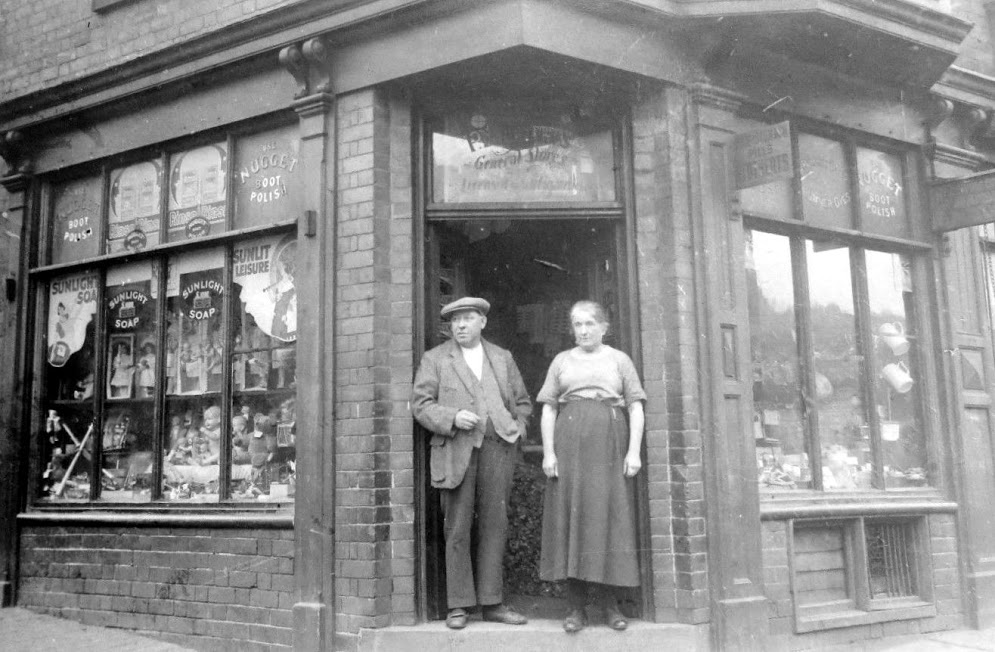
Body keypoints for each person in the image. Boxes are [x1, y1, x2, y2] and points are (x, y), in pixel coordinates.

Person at [411, 296, 532, 630]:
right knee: (457, 526)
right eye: (455, 320)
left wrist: (517, 430)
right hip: (456, 448)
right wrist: (451, 417)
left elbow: (522, 401)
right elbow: (420, 404)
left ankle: (492, 603)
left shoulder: (502, 358)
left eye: (467, 319)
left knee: (495, 524)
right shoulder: (436, 358)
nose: (460, 325)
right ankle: (459, 605)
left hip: (497, 448)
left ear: (483, 322)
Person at [537, 300, 646, 633]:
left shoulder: (619, 360)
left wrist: (633, 452)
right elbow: (549, 409)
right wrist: (549, 453)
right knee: (573, 518)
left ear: (603, 327)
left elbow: (636, 406)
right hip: (569, 441)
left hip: (610, 440)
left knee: (609, 517)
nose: (583, 331)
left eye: (589, 324)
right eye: (577, 324)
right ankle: (576, 609)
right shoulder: (561, 361)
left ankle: (611, 606)